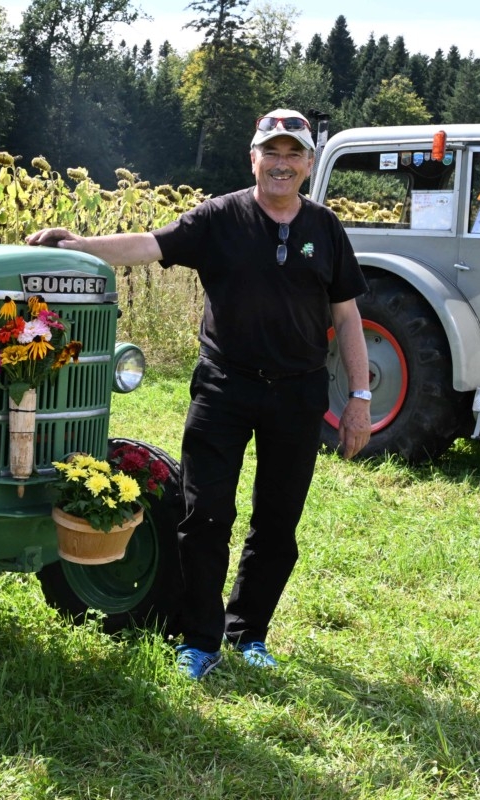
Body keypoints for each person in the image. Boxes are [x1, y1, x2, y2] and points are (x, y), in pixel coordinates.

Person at [26, 109, 372, 678]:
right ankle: (200, 640)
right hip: (224, 387)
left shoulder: (325, 228)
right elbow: (148, 245)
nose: (281, 163)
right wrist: (80, 244)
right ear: (253, 158)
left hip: (297, 394)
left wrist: (359, 397)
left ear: (309, 163)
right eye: (271, 152)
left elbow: (348, 315)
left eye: (293, 154)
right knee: (203, 514)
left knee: (278, 521)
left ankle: (248, 633)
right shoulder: (219, 217)